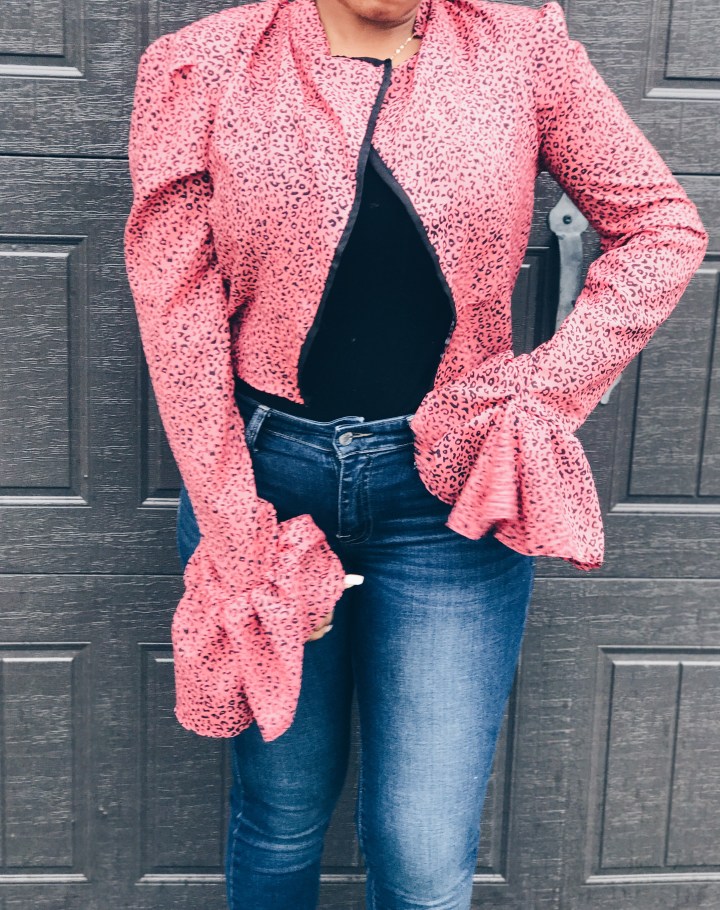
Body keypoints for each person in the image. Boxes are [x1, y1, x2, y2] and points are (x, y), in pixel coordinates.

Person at [123, 0, 709, 905]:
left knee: (426, 850)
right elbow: (178, 313)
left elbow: (659, 228)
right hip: (262, 486)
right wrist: (235, 528)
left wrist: (537, 393)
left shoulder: (522, 51)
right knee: (279, 811)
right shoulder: (204, 65)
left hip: (452, 504)